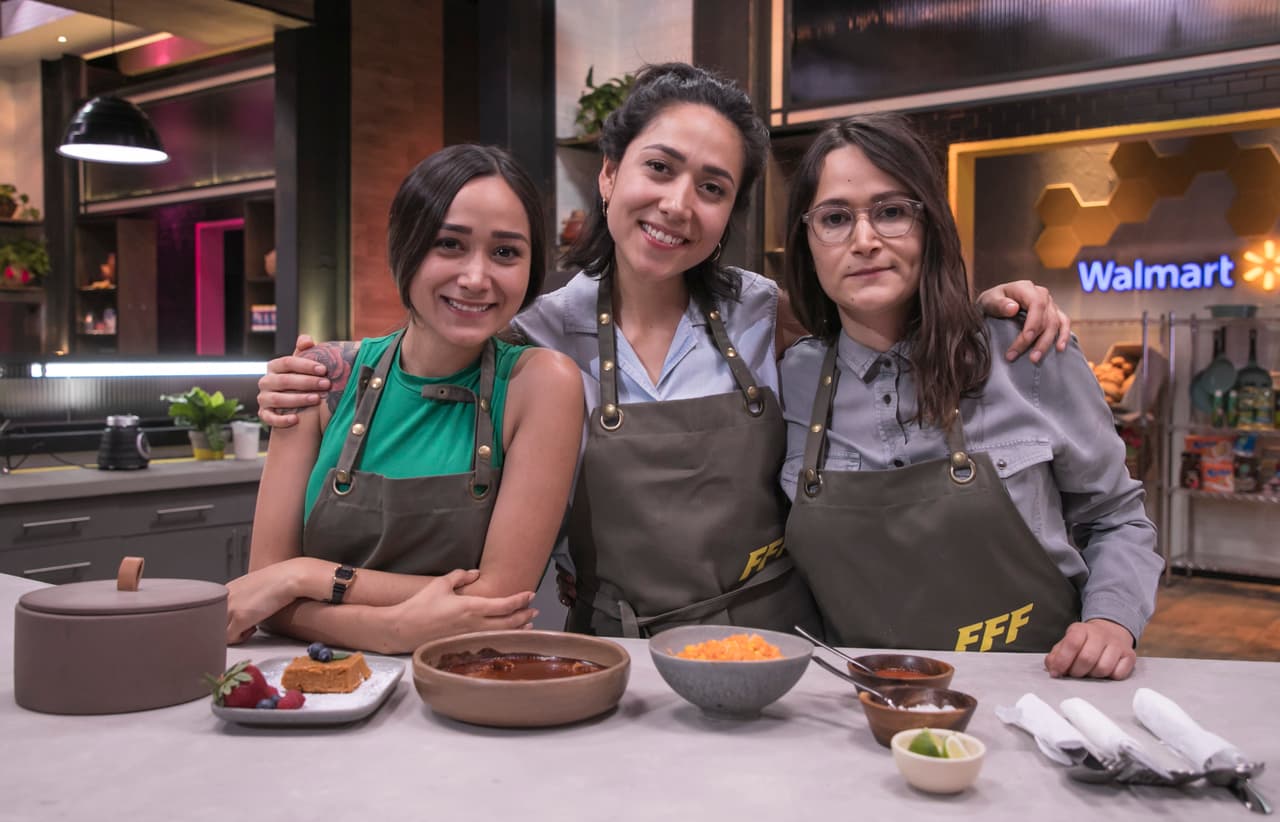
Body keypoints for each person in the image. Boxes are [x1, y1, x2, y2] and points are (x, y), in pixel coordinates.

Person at [257, 63, 1070, 639]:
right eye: (659, 168)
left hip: (779, 644)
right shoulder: (534, 334)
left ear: (731, 214)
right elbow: (434, 334)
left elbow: (874, 320)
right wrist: (325, 364)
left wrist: (990, 301)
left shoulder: (762, 309)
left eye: (713, 188)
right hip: (618, 649)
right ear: (609, 176)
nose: (679, 204)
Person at [779, 113, 1162, 679]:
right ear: (807, 241)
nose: (864, 241)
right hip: (865, 707)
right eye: (835, 218)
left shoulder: (1028, 351)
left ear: (930, 224)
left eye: (891, 212)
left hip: (1041, 690)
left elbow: (1116, 515)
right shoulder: (792, 379)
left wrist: (1111, 620)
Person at [225, 145, 584, 654]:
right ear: (404, 245)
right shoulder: (323, 377)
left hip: (468, 686)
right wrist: (393, 630)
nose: (477, 278)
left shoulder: (541, 384)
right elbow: (265, 585)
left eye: (505, 252)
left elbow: (499, 599)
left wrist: (304, 576)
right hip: (312, 698)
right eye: (449, 244)